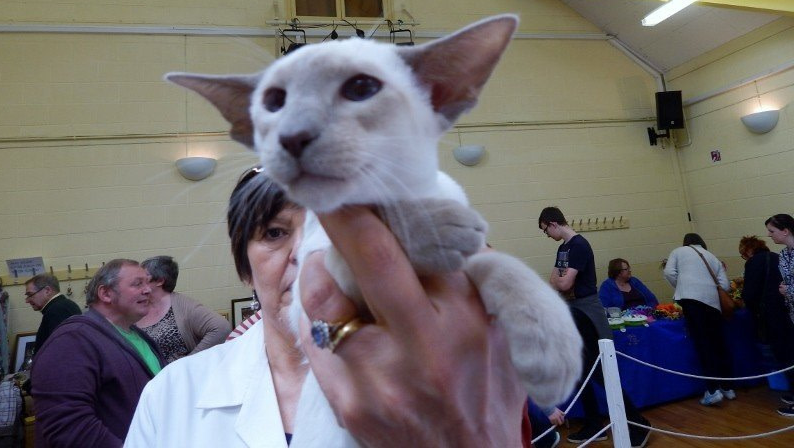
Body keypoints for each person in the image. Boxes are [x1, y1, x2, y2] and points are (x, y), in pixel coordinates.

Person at [127, 168, 523, 447]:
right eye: (275, 233)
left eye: (328, 229)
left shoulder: (440, 384)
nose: (304, 255)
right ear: (245, 268)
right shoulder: (171, 396)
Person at [539, 206, 651, 447]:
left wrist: (561, 281)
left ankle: (637, 422)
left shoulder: (579, 245)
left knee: (600, 373)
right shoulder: (563, 248)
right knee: (580, 372)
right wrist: (561, 282)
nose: (546, 235)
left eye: (545, 229)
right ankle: (593, 424)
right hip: (573, 311)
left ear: (552, 223)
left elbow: (564, 281)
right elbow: (554, 281)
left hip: (586, 313)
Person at [31, 259, 164, 448]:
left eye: (148, 282)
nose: (148, 289)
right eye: (137, 284)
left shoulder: (135, 335)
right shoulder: (72, 341)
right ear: (106, 293)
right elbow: (69, 427)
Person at [664, 232, 735, 406]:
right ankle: (728, 387)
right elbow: (724, 285)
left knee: (703, 346)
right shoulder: (712, 257)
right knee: (718, 345)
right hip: (713, 305)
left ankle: (712, 390)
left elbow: (668, 272)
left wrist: (682, 286)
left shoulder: (678, 251)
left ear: (686, 242)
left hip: (692, 303)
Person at [136, 255, 231, 362]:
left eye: (145, 277)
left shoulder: (184, 307)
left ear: (160, 281)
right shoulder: (139, 306)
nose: (139, 282)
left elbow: (222, 328)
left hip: (177, 377)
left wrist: (189, 363)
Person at [739, 234, 794, 416]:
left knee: (785, 357)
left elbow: (749, 294)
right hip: (786, 313)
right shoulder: (778, 257)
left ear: (748, 250)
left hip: (770, 317)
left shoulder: (754, 263)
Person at [24, 273, 81, 354]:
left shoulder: (58, 310)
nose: (27, 300)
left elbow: (61, 351)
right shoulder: (63, 305)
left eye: (30, 294)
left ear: (47, 291)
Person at [766, 214, 794, 325]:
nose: (768, 235)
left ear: (785, 231)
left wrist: (789, 291)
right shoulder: (783, 254)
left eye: (771, 231)